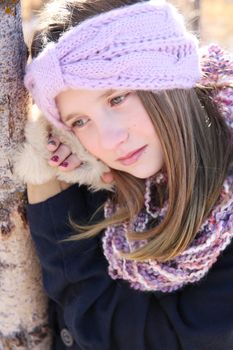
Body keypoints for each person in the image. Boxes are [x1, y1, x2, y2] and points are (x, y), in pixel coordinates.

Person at [15, 0, 233, 349]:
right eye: (79, 121)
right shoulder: (99, 176)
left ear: (166, 77)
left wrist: (49, 195)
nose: (109, 140)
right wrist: (44, 166)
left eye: (117, 98)